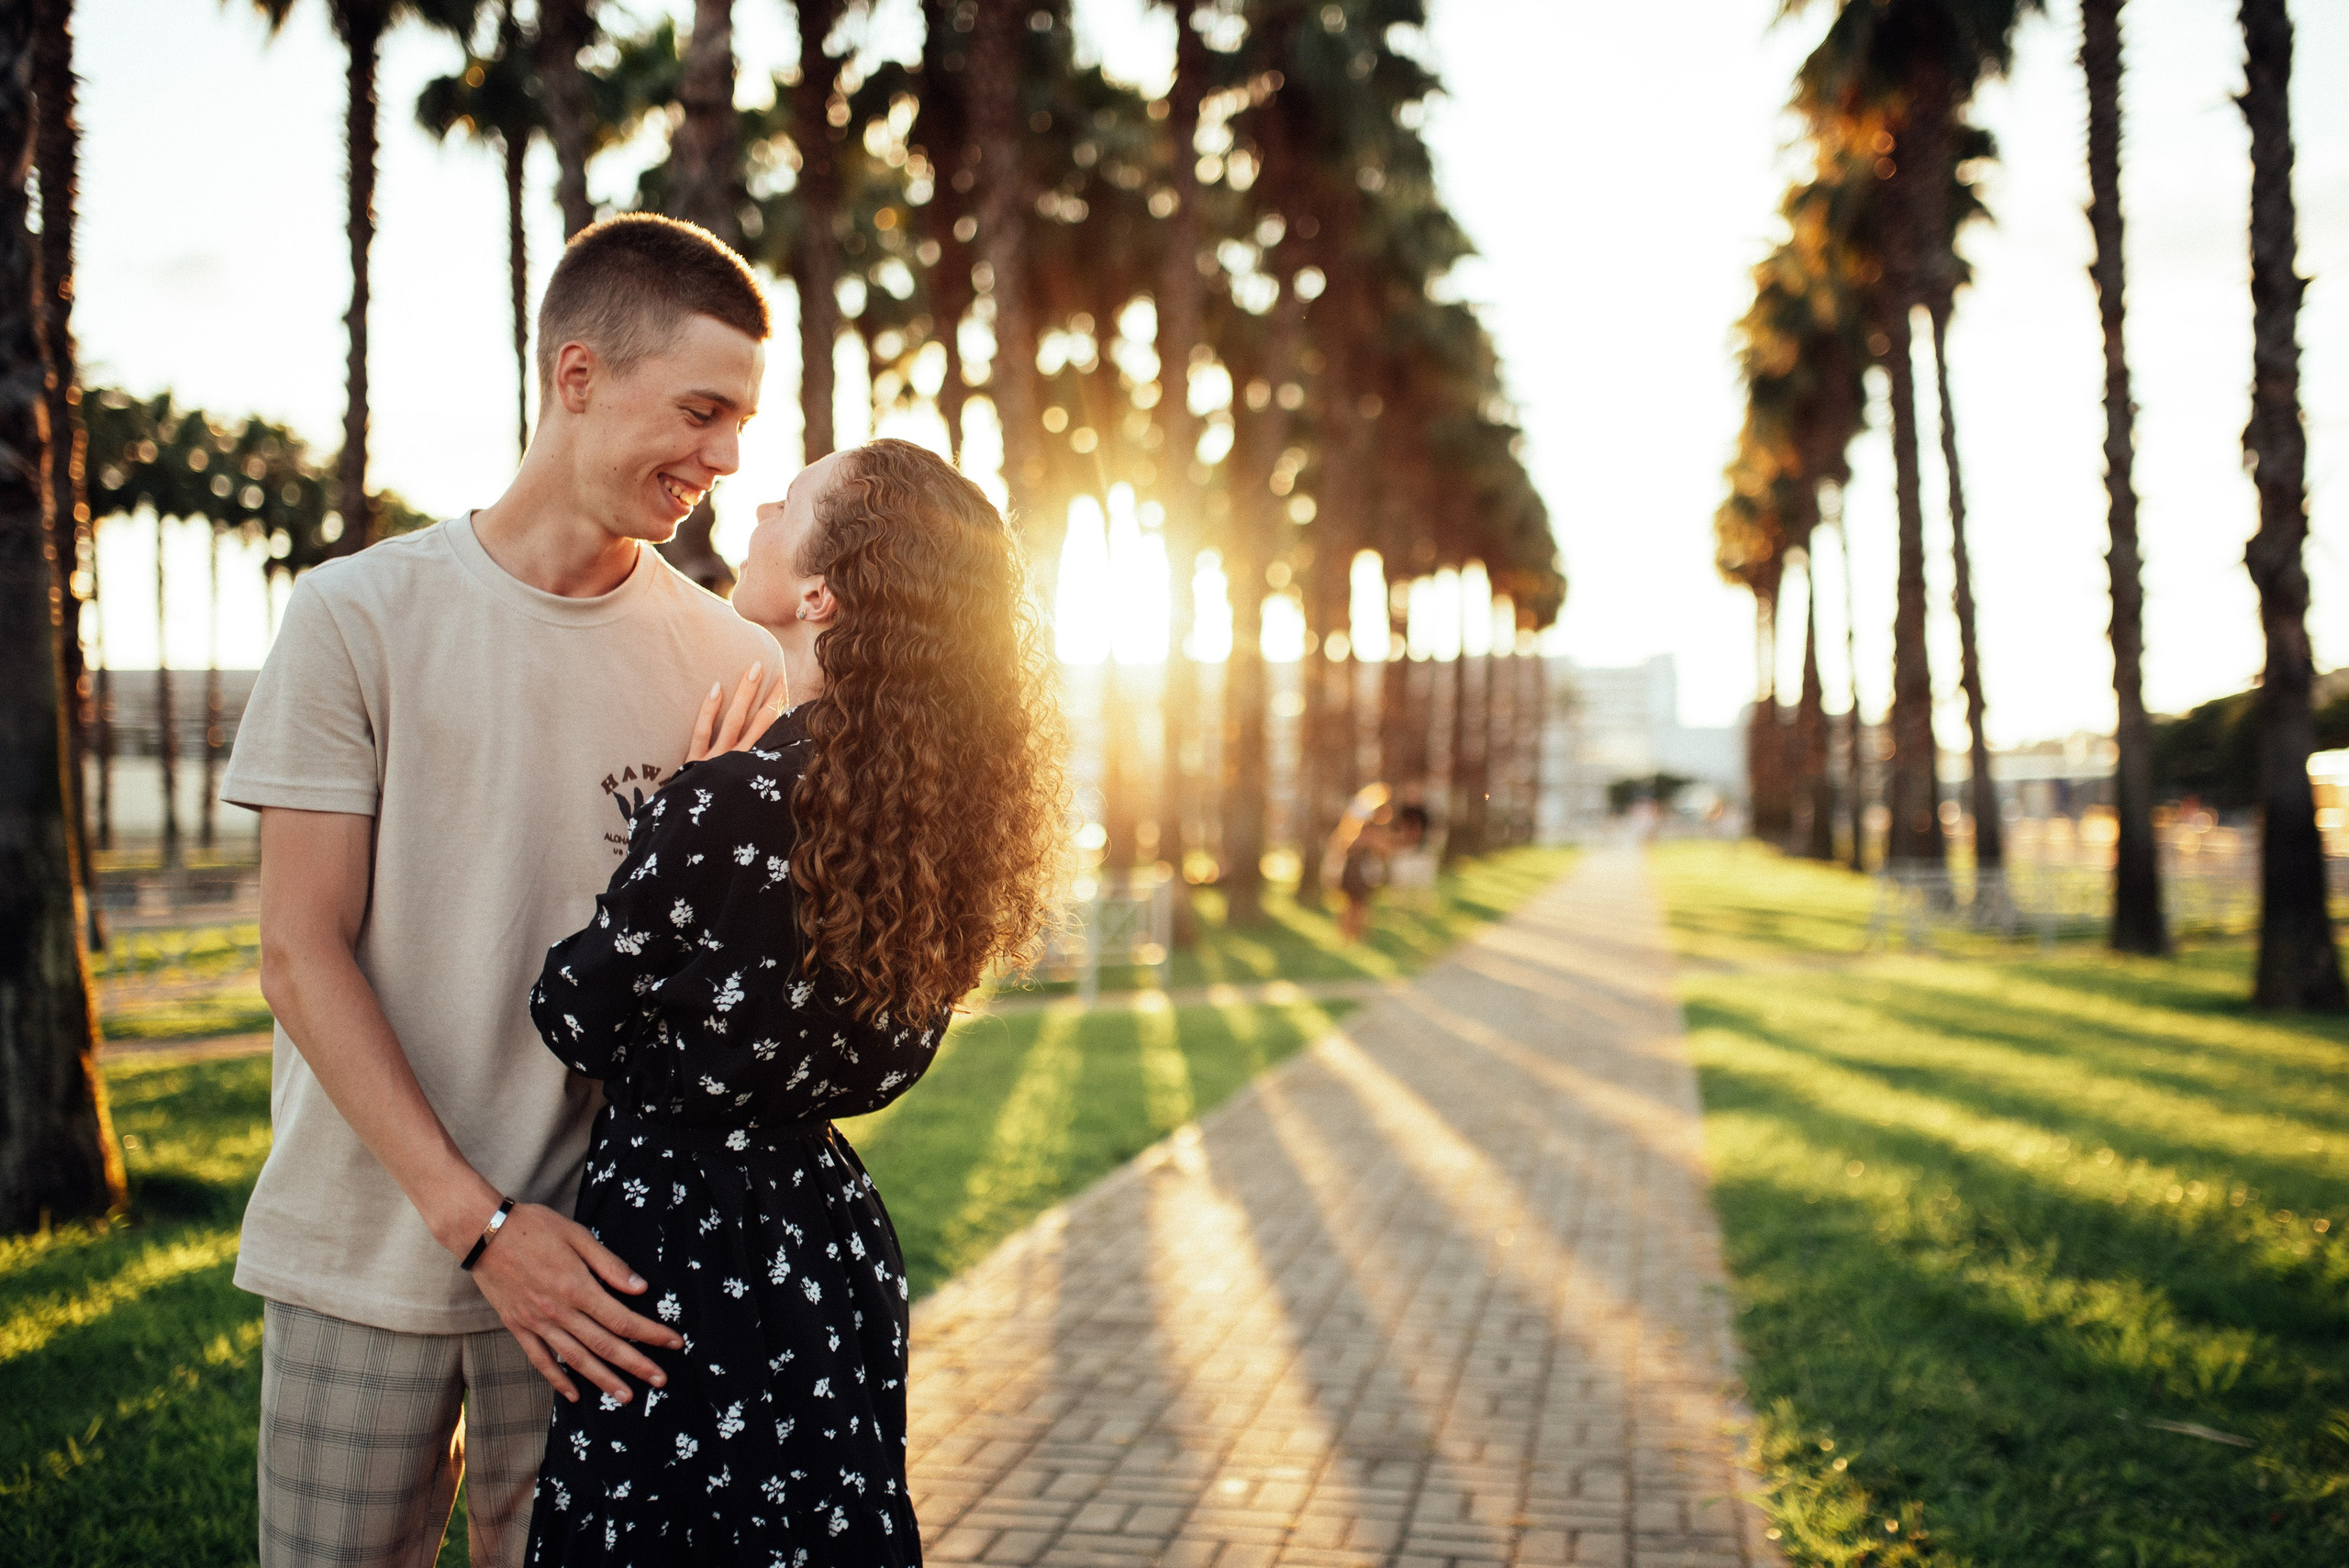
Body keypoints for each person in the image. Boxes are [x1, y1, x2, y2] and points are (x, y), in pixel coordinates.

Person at [224, 214, 785, 1568]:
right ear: (577, 377)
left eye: (740, 430)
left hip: (604, 1283)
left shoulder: (731, 661)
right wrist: (476, 1224)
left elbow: (728, 1005)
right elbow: (301, 953)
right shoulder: (356, 615)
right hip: (362, 1251)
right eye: (702, 413)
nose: (722, 462)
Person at [519, 438, 1068, 1565]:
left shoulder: (725, 801)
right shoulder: (935, 822)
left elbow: (573, 1010)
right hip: (827, 1245)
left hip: (676, 1248)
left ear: (821, 592)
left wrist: (671, 816)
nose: (760, 502)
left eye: (793, 500)